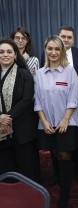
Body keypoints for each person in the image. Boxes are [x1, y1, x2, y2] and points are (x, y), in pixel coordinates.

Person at [35, 35, 78, 208]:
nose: (53, 52)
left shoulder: (69, 71)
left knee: (64, 155)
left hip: (67, 123)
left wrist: (65, 120)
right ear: (45, 50)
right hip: (47, 123)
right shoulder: (39, 73)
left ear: (62, 51)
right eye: (50, 49)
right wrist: (44, 121)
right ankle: (62, 185)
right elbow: (37, 100)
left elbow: (73, 98)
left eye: (57, 49)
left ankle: (64, 196)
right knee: (55, 154)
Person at [0, 38, 39, 181]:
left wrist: (6, 118)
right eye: (2, 52)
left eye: (9, 51)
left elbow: (27, 99)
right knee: (5, 167)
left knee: (25, 167)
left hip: (22, 130)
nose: (5, 54)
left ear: (15, 55)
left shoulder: (24, 74)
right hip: (1, 132)